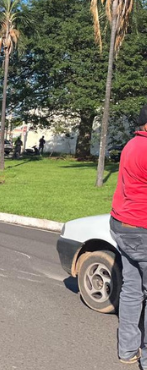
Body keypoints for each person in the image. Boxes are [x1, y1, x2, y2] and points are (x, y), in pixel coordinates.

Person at [109, 104, 147, 366]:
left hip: (122, 224)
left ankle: (127, 350)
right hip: (143, 229)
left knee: (133, 289)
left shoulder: (131, 145)